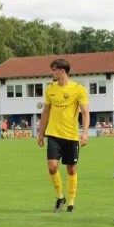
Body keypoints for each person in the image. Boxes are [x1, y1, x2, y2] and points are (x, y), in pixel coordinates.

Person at [37, 59, 90, 213]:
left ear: (62, 71)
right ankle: (60, 197)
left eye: (53, 70)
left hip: (72, 136)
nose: (51, 73)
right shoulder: (50, 89)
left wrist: (85, 133)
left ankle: (71, 201)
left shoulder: (78, 89)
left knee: (71, 170)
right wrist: (40, 133)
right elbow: (45, 112)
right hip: (53, 134)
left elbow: (85, 113)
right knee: (52, 168)